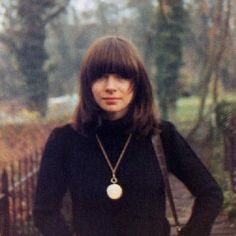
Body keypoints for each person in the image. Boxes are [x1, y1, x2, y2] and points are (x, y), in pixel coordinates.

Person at [33, 35, 223, 236]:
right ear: (87, 84)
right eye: (100, 77)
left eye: (122, 77)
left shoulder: (160, 135)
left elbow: (210, 194)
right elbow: (45, 212)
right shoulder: (65, 140)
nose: (110, 86)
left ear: (138, 83)